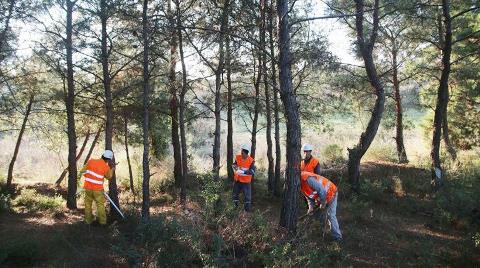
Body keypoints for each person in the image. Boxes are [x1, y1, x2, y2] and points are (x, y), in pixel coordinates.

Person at [300, 171, 342, 242]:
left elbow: (321, 190)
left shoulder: (306, 178)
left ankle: (337, 238)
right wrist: (311, 207)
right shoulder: (299, 185)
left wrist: (323, 203)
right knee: (317, 215)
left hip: (331, 192)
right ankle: (321, 232)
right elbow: (309, 197)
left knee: (331, 215)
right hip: (322, 197)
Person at [79, 150, 115, 226]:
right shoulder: (106, 167)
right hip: (98, 190)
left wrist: (89, 176)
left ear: (102, 155)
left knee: (88, 205)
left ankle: (88, 221)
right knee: (100, 205)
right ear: (108, 159)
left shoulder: (91, 161)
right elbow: (109, 177)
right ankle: (102, 223)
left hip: (88, 188)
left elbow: (82, 171)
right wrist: (112, 169)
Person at [232, 144, 256, 212]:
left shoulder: (251, 161)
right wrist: (235, 168)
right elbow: (234, 165)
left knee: (247, 198)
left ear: (246, 153)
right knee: (234, 196)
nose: (241, 154)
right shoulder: (238, 157)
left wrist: (243, 172)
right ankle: (234, 209)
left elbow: (252, 171)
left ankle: (247, 211)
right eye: (241, 152)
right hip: (237, 181)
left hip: (246, 182)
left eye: (242, 153)